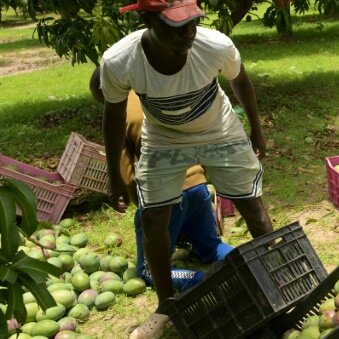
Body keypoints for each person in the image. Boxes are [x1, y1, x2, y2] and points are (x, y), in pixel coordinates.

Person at [98, 0, 274, 339]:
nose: (188, 33)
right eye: (176, 26)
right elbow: (113, 116)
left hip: (219, 129)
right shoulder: (120, 60)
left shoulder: (214, 45)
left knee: (253, 208)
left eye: (192, 21)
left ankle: (278, 282)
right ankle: (166, 307)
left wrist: (256, 130)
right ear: (147, 20)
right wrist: (114, 176)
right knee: (153, 220)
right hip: (163, 136)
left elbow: (241, 82)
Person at [89, 68, 233, 295]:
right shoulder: (160, 92)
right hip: (198, 184)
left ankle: (200, 279)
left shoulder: (119, 115)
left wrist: (144, 211)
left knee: (148, 271)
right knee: (212, 247)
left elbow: (127, 175)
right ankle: (247, 260)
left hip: (164, 195)